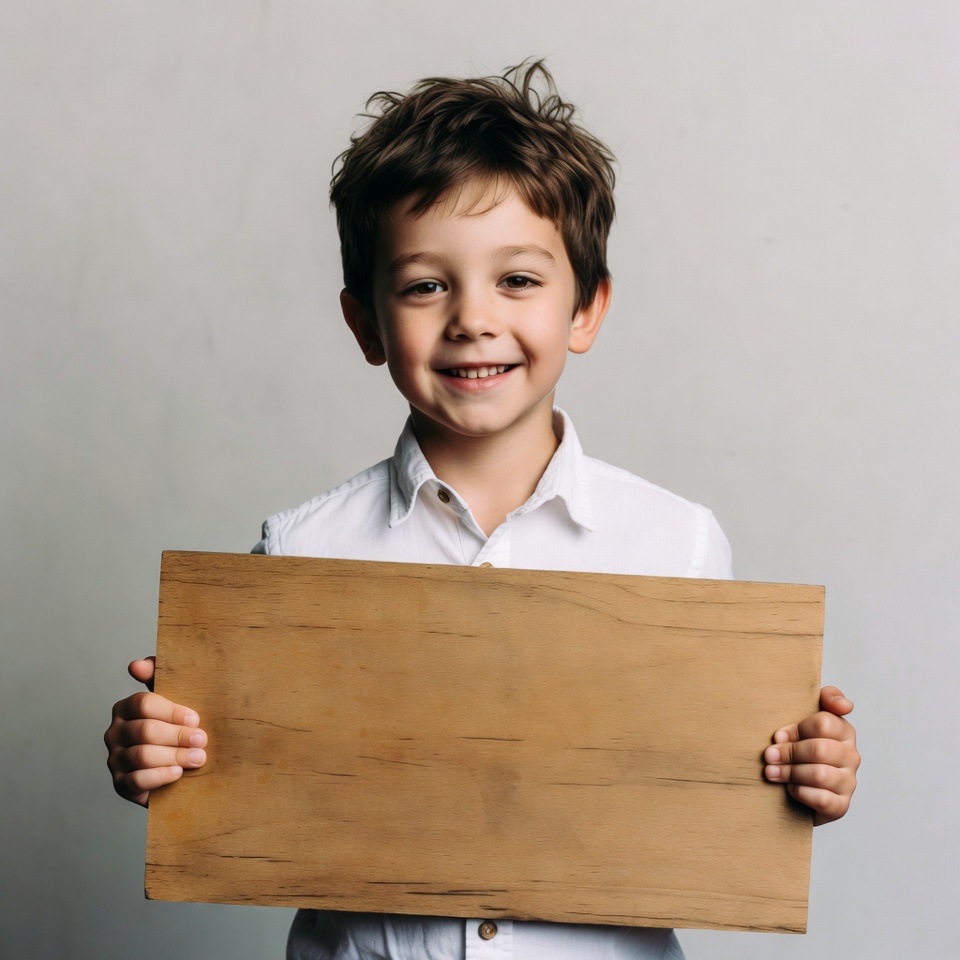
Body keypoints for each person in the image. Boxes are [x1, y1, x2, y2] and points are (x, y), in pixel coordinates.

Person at [104, 61, 859, 959]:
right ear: (366, 325)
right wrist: (156, 755)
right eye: (426, 285)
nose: (472, 318)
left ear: (588, 308)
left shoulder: (678, 543)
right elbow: (225, 777)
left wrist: (812, 769)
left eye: (518, 281)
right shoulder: (300, 549)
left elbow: (728, 784)